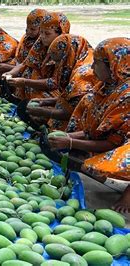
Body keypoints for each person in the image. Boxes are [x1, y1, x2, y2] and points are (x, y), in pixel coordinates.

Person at [49, 37, 130, 213]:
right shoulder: (107, 86)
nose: (92, 68)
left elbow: (114, 143)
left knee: (119, 161)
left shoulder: (126, 96)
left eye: (96, 63)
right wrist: (70, 136)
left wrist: (71, 143)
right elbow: (96, 129)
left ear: (113, 64)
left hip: (125, 143)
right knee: (88, 101)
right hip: (118, 139)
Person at [26, 34, 98, 130]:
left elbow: (73, 112)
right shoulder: (83, 55)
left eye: (58, 61)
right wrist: (46, 102)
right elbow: (72, 99)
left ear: (67, 56)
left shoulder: (82, 76)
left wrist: (43, 112)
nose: (57, 65)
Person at [4, 12, 71, 99]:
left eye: (47, 33)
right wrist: (10, 73)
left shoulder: (65, 50)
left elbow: (55, 82)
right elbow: (26, 63)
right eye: (41, 32)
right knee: (28, 71)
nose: (42, 36)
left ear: (61, 34)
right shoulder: (40, 44)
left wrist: (25, 82)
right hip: (37, 83)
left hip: (56, 90)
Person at [0, 8, 48, 75]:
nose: (28, 31)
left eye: (33, 29)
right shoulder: (26, 38)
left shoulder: (45, 43)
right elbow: (20, 60)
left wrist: (9, 68)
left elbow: (33, 68)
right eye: (27, 27)